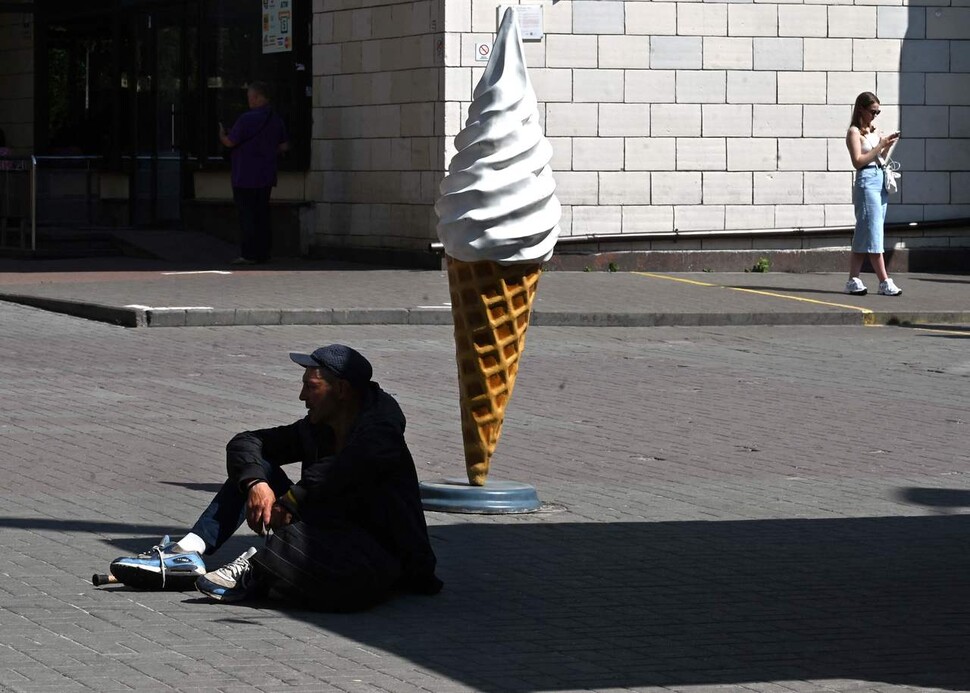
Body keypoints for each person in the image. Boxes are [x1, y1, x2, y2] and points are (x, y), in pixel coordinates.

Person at [111, 344, 443, 611]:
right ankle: (187, 553)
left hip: (377, 548)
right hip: (324, 529)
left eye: (311, 387)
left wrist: (295, 497)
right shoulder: (316, 426)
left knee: (335, 567)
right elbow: (247, 442)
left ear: (341, 389)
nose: (302, 397)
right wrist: (257, 485)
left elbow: (346, 467)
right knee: (256, 468)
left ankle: (260, 567)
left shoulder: (381, 431)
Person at [219, 81, 289, 265]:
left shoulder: (246, 119)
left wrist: (221, 135)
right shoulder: (275, 118)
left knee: (247, 215)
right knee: (262, 214)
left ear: (257, 97)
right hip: (266, 174)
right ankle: (264, 252)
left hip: (244, 174)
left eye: (250, 97)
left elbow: (230, 142)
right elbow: (284, 146)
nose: (248, 101)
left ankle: (249, 254)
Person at [844, 92, 902, 297]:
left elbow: (880, 159)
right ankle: (884, 280)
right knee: (874, 230)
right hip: (866, 180)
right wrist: (879, 145)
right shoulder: (854, 132)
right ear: (861, 109)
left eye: (878, 111)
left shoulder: (874, 131)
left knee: (865, 231)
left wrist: (886, 147)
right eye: (872, 111)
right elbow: (858, 161)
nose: (875, 115)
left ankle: (853, 279)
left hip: (880, 178)